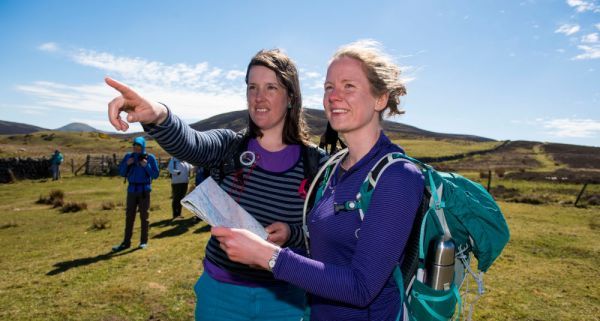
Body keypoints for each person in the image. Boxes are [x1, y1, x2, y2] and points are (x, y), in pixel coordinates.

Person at [106, 49, 327, 321]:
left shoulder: (316, 163)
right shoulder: (229, 146)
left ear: (291, 96)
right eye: (252, 87)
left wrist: (291, 234)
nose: (259, 97)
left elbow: (325, 234)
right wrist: (158, 115)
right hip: (221, 295)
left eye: (271, 87)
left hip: (285, 300)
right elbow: (192, 143)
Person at [212, 40, 425, 321]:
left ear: (380, 98)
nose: (334, 96)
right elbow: (326, 256)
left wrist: (269, 256)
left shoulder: (398, 176)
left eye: (349, 86)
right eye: (329, 87)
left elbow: (362, 287)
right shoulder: (334, 168)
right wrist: (290, 236)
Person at [113, 136, 160, 251]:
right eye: (134, 146)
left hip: (144, 191)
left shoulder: (150, 158)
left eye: (138, 146)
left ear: (143, 146)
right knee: (129, 217)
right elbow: (122, 173)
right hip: (131, 191)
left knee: (144, 217)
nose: (136, 148)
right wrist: (127, 164)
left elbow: (155, 175)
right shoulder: (128, 157)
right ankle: (126, 242)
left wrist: (146, 166)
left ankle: (143, 241)